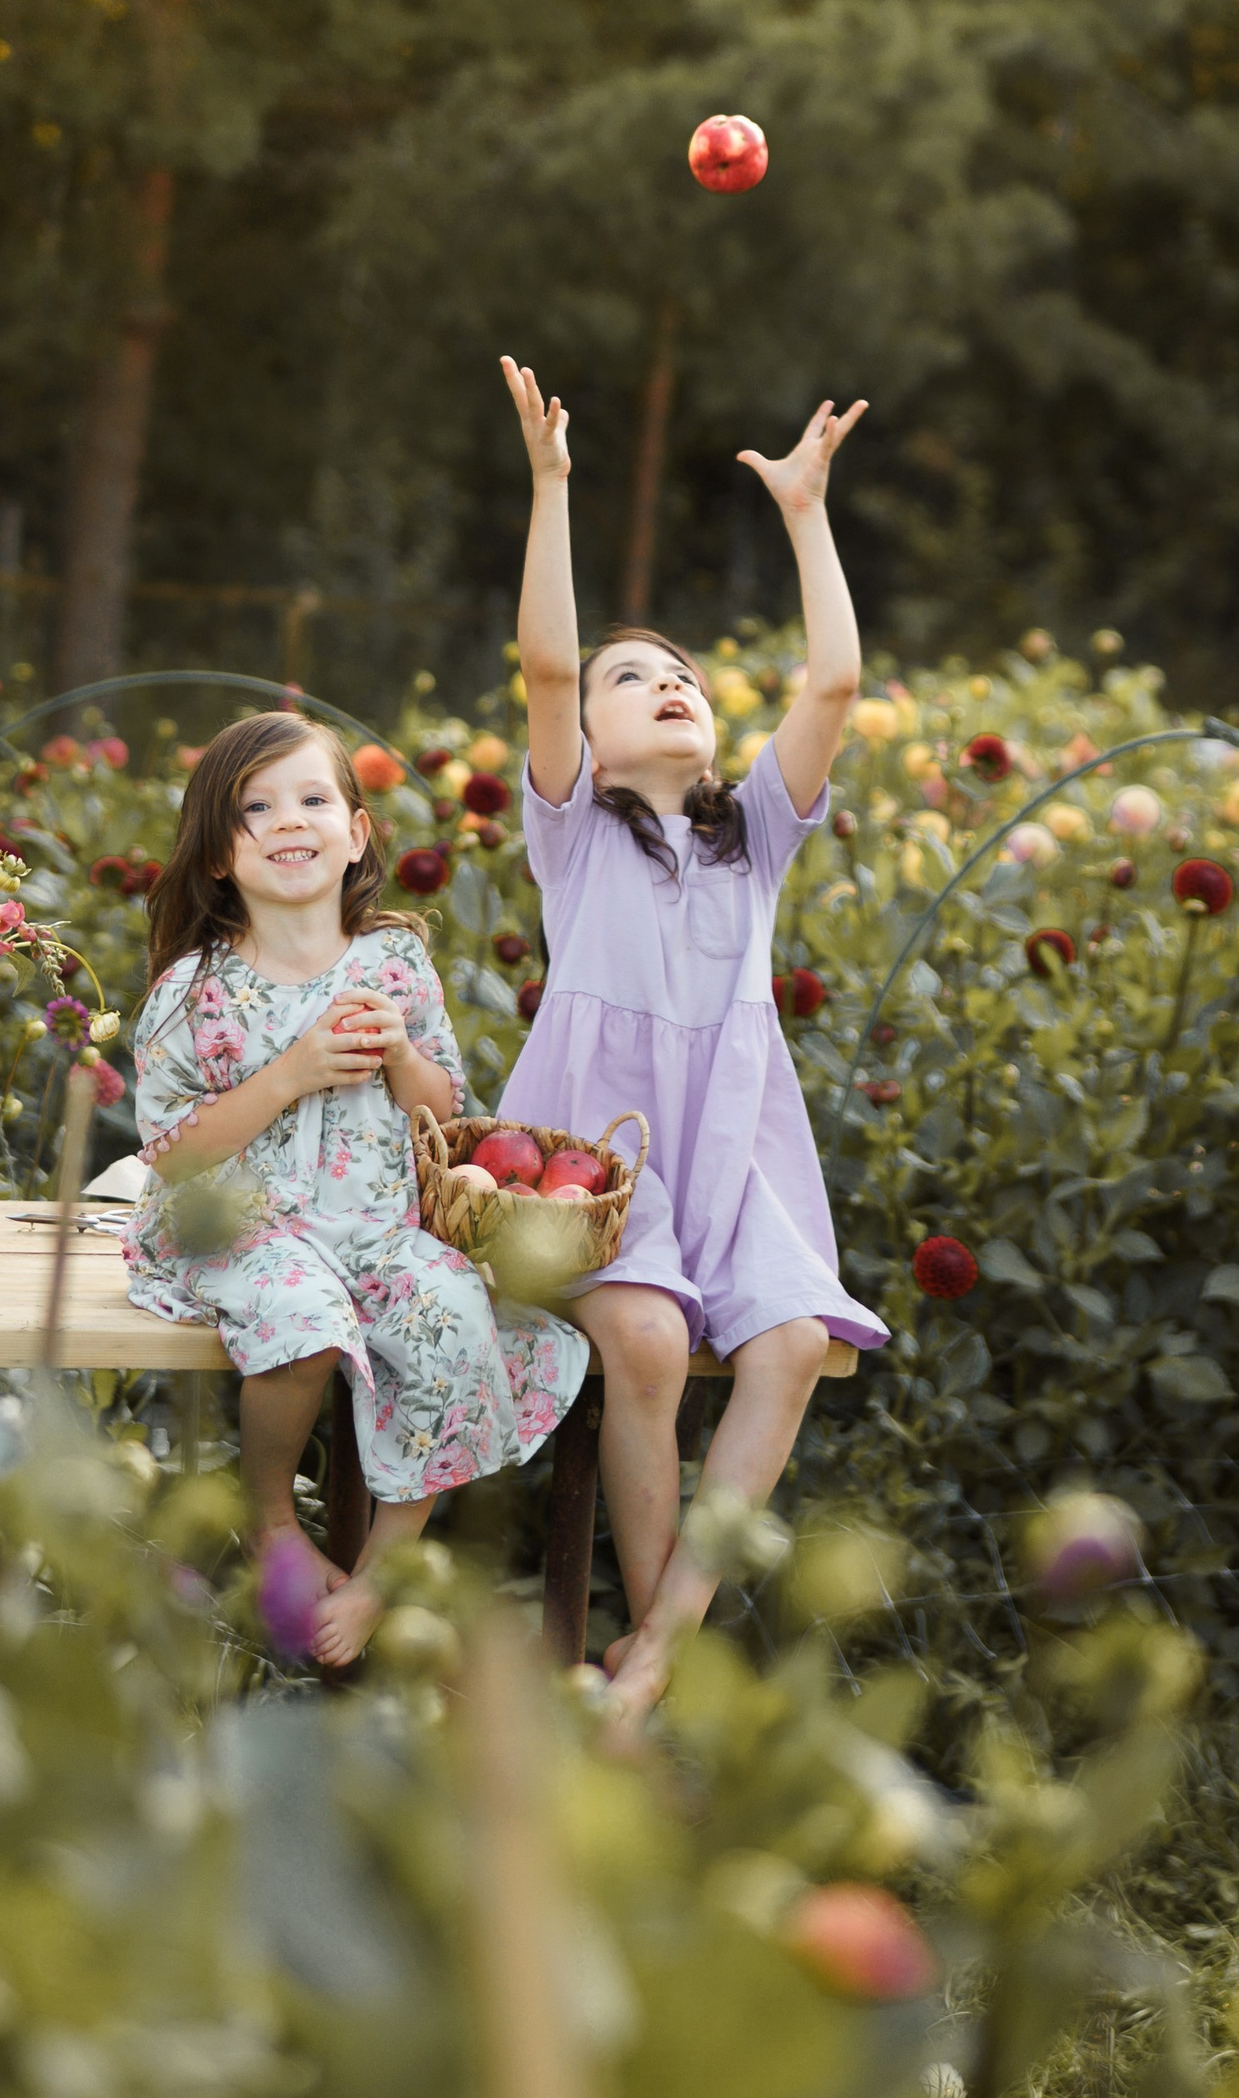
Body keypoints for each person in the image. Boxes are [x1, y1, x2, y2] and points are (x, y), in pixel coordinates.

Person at [495, 356, 889, 1723]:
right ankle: (650, 1693)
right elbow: (548, 656)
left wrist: (804, 513)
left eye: (680, 675)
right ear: (588, 745)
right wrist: (551, 486)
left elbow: (833, 681)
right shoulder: (573, 832)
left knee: (786, 1347)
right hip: (600, 1166)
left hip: (734, 1154)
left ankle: (655, 1649)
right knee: (651, 1349)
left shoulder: (754, 836)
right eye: (632, 678)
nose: (665, 684)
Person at [125, 709, 587, 1667]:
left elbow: (445, 1110)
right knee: (303, 1319)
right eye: (256, 806)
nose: (289, 818)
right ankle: (271, 1519)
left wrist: (402, 1054)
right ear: (217, 852)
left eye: (312, 798)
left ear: (356, 830)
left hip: (377, 1224)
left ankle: (385, 1567)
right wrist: (289, 1073)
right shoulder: (195, 987)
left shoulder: (395, 961)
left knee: (454, 1309)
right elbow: (171, 1150)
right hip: (244, 1227)